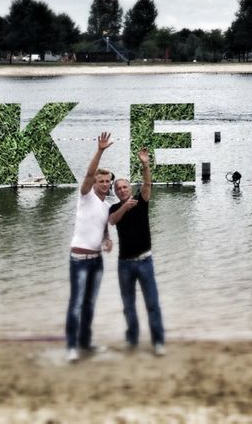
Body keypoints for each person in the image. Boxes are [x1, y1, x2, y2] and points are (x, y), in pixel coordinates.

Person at [108, 147, 165, 356]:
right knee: (128, 305)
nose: (122, 190)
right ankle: (132, 340)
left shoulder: (142, 202)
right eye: (118, 189)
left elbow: (147, 184)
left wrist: (145, 164)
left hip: (144, 261)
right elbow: (113, 222)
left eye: (124, 187)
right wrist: (125, 207)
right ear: (116, 193)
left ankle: (158, 342)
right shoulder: (114, 209)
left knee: (152, 304)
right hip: (125, 264)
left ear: (130, 188)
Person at [64, 132, 114, 363]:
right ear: (95, 183)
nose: (104, 184)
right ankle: (72, 347)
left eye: (107, 181)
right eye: (101, 181)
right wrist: (100, 150)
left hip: (97, 261)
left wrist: (106, 238)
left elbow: (102, 227)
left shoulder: (108, 206)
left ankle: (85, 343)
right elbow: (88, 174)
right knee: (76, 303)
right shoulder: (85, 197)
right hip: (79, 260)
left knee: (90, 304)